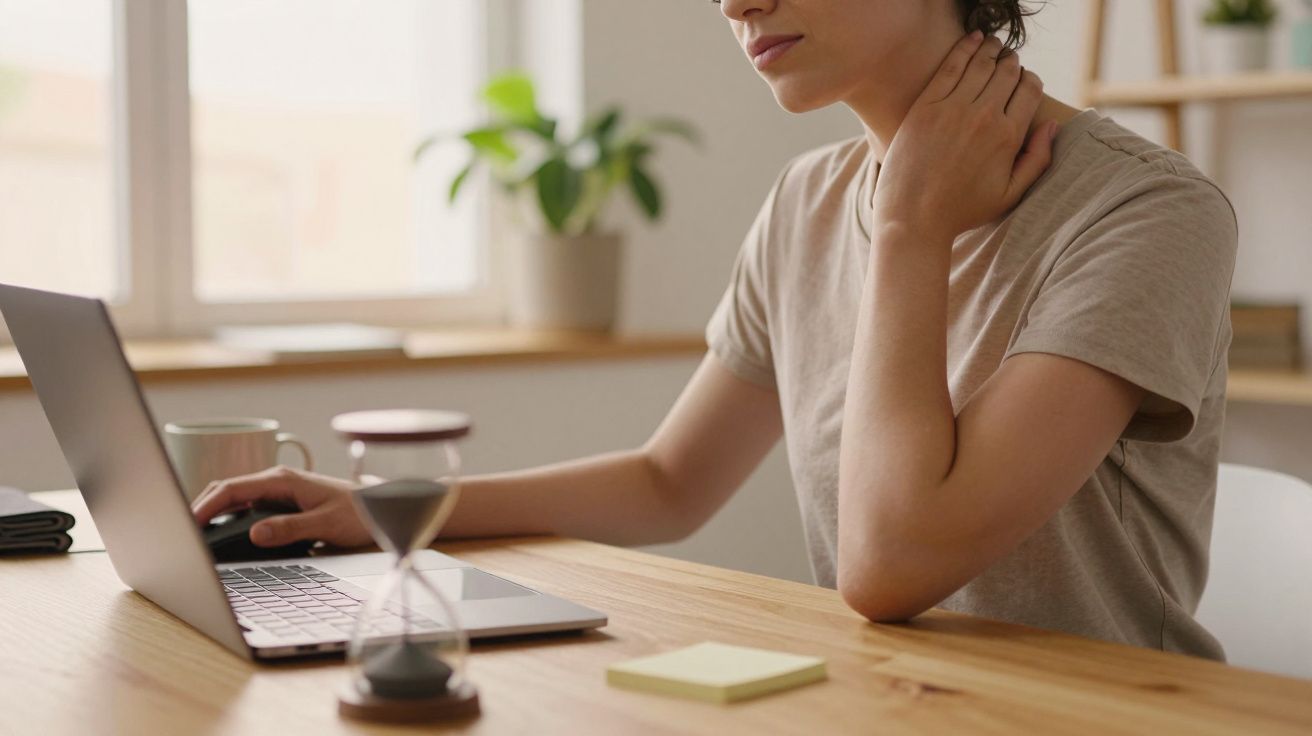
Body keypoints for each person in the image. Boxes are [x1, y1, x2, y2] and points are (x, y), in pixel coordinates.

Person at [193, 0, 1237, 660]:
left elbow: (892, 564)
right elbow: (669, 482)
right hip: (894, 700)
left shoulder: (1145, 213)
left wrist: (913, 225)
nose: (735, 3)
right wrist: (381, 510)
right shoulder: (808, 199)